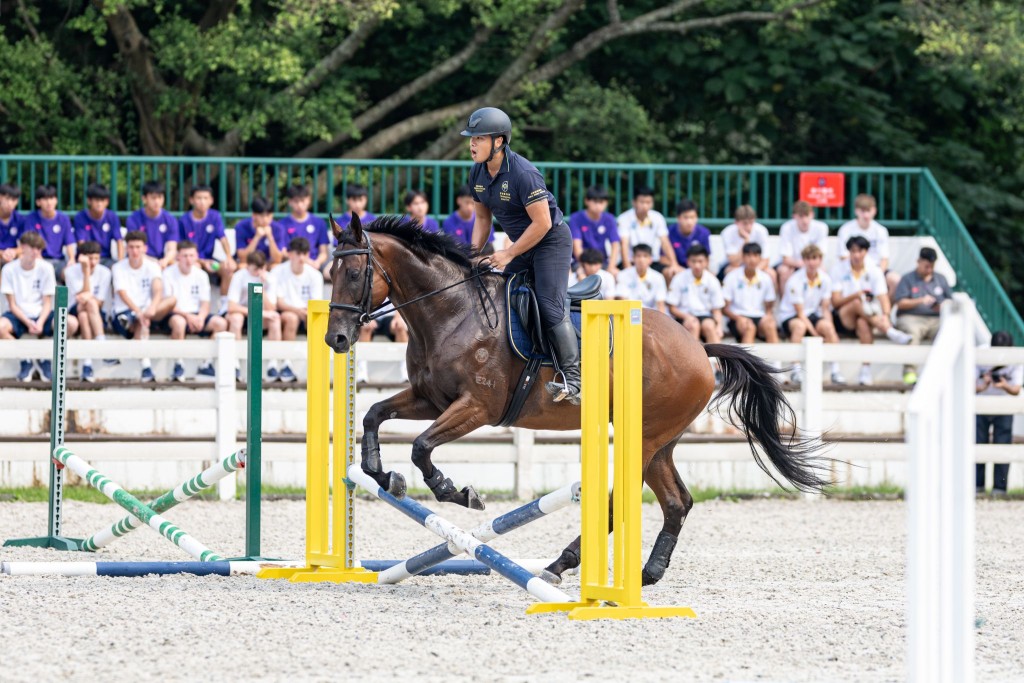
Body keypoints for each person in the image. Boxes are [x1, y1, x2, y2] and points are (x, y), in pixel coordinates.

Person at [463, 106, 580, 403]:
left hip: (551, 241)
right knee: (499, 294)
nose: (471, 144)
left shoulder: (524, 174)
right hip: (523, 244)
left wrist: (507, 254)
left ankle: (574, 377)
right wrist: (472, 255)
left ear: (499, 142)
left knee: (549, 305)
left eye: (478, 138)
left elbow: (542, 224)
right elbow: (482, 219)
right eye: (471, 138)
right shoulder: (477, 172)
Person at [831, 235, 912, 386]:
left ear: (866, 252)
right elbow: (835, 302)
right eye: (853, 251)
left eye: (859, 251)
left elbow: (883, 298)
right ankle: (888, 331)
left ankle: (865, 369)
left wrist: (886, 315)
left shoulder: (874, 270)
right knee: (856, 302)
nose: (856, 255)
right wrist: (857, 295)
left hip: (865, 317)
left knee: (863, 323)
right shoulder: (838, 269)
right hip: (843, 317)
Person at [111, 230, 175, 382]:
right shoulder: (118, 267)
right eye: (131, 247)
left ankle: (146, 367)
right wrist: (139, 312)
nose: (134, 251)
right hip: (125, 311)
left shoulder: (152, 266)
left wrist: (151, 308)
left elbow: (157, 288)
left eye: (138, 247)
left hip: (147, 311)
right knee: (141, 320)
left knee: (171, 300)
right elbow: (122, 293)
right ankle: (146, 366)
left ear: (145, 248)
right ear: (126, 248)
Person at [775, 244, 844, 385]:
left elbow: (825, 309)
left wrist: (830, 328)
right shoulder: (795, 280)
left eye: (815, 258)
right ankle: (795, 369)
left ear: (820, 260)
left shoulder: (825, 279)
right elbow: (800, 313)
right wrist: (815, 334)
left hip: (812, 314)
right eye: (808, 258)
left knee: (828, 327)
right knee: (800, 326)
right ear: (804, 260)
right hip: (790, 315)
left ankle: (835, 370)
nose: (812, 262)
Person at [162, 239, 227, 381]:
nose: (188, 259)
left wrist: (201, 318)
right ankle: (178, 364)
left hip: (196, 315)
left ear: (197, 256)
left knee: (221, 324)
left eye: (191, 255)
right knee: (179, 323)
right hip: (177, 314)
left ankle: (206, 364)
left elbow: (205, 303)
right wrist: (188, 317)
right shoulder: (168, 273)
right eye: (185, 256)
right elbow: (169, 304)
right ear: (178, 257)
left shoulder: (201, 275)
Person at [893, 247, 953, 385]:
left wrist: (942, 305)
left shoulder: (941, 279)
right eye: (926, 266)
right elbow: (900, 303)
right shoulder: (907, 278)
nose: (929, 269)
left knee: (946, 332)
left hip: (936, 318)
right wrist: (920, 301)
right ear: (918, 262)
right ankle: (910, 373)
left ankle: (940, 373)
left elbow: (950, 301)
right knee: (912, 333)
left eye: (931, 266)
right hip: (911, 317)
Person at [0, 232, 56, 381]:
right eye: (33, 248)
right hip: (18, 315)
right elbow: (12, 305)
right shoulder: (9, 269)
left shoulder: (46, 268)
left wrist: (40, 322)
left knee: (69, 323)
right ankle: (25, 359)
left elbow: (47, 302)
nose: (36, 252)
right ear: (22, 247)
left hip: (41, 314)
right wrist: (28, 322)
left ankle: (46, 359)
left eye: (39, 248)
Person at [976, 330, 1021, 496]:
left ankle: (1000, 489)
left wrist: (1004, 386)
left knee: (1003, 447)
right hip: (980, 404)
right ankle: (977, 487)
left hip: (1004, 406)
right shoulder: (980, 353)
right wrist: (983, 386)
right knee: (978, 445)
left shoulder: (1016, 357)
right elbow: (968, 384)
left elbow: (1016, 389)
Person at [226, 251, 283, 381]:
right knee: (236, 319)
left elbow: (272, 308)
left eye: (261, 268)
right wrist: (261, 313)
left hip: (260, 316)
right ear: (247, 266)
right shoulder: (239, 276)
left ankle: (272, 364)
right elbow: (232, 307)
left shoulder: (270, 278)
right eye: (255, 269)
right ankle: (235, 364)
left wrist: (262, 288)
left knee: (275, 320)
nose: (258, 272)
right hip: (242, 313)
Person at [273, 237, 323, 382]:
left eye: (304, 254)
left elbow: (316, 302)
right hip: (286, 312)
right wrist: (298, 310)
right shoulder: (278, 271)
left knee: (317, 320)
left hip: (306, 312)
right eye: (297, 253)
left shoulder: (314, 275)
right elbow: (279, 302)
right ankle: (287, 362)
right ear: (289, 254)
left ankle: (317, 364)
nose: (301, 258)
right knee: (291, 318)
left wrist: (305, 311)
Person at [63, 240, 113, 382]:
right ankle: (102, 346)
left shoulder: (105, 272)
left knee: (85, 315)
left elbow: (100, 301)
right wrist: (86, 273)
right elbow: (79, 299)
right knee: (87, 305)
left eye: (96, 258)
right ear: (82, 257)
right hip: (74, 310)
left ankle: (87, 363)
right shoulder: (70, 271)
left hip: (94, 311)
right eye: (90, 258)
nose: (93, 262)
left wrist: (88, 298)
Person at [179, 184, 236, 297]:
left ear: (211, 200)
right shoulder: (183, 220)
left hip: (210, 260)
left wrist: (228, 258)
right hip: (191, 260)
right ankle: (193, 303)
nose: (202, 202)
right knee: (195, 267)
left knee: (228, 269)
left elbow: (223, 239)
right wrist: (201, 262)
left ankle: (224, 305)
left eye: (205, 198)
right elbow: (181, 248)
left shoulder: (215, 216)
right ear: (191, 200)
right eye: (199, 198)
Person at [837, 193, 899, 296]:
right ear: (856, 211)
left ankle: (885, 309)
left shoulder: (881, 230)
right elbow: (843, 256)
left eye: (868, 211)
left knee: (896, 281)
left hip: (876, 269)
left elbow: (884, 258)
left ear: (874, 210)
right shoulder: (845, 229)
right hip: (852, 269)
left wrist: (877, 275)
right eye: (862, 211)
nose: (865, 215)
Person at [666, 244, 724, 344]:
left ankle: (718, 358)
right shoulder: (679, 279)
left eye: (700, 261)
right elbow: (672, 308)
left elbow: (717, 310)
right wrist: (686, 317)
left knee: (709, 325)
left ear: (706, 262)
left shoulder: (713, 280)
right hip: (684, 317)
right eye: (693, 261)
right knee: (693, 325)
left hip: (705, 316)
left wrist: (719, 327)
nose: (697, 265)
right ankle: (692, 359)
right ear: (688, 262)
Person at [722, 243, 778, 344]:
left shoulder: (765, 278)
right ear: (743, 257)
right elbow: (725, 308)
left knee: (770, 325)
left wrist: (768, 316)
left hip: (759, 316)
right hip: (737, 317)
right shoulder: (732, 277)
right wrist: (739, 318)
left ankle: (777, 359)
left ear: (760, 258)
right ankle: (746, 360)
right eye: (748, 255)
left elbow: (769, 306)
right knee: (749, 328)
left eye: (755, 255)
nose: (752, 259)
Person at [617, 186, 679, 277]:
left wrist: (674, 264)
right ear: (634, 202)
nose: (645, 206)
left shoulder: (658, 218)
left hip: (653, 262)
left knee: (671, 273)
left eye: (648, 202)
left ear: (652, 203)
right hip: (631, 262)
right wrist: (628, 267)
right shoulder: (623, 219)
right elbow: (624, 244)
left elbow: (665, 243)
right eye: (642, 202)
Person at [24, 184, 76, 281]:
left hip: (59, 261)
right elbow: (30, 242)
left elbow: (69, 242)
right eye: (45, 199)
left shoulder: (63, 219)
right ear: (38, 202)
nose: (49, 202)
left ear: (56, 200)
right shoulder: (31, 218)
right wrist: (38, 258)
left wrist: (72, 259)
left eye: (52, 198)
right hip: (37, 260)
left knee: (70, 274)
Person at [326, 184, 378, 278]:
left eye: (360, 200)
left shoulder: (373, 219)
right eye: (354, 200)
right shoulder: (340, 220)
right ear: (347, 200)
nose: (357, 204)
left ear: (366, 199)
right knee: (327, 273)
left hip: (369, 258)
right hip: (345, 257)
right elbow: (337, 244)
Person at [568, 185, 623, 275]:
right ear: (587, 201)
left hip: (601, 262)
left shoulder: (609, 219)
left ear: (606, 203)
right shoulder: (576, 218)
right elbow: (577, 246)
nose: (598, 205)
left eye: (601, 202)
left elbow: (615, 245)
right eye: (595, 202)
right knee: (580, 275)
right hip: (581, 262)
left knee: (617, 275)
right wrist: (586, 266)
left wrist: (611, 266)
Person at [126, 181, 180, 268]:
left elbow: (172, 248)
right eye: (153, 198)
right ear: (144, 199)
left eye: (160, 197)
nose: (157, 201)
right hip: (141, 261)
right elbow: (134, 248)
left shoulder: (170, 220)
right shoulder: (134, 219)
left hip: (164, 263)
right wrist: (153, 263)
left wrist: (165, 261)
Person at [777, 200, 828, 291]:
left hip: (811, 262)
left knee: (822, 270)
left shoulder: (821, 228)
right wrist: (801, 265)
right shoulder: (786, 228)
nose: (804, 220)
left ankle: (819, 302)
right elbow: (786, 258)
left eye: (807, 216)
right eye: (801, 216)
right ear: (794, 216)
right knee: (784, 271)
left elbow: (820, 256)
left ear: (812, 215)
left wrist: (809, 264)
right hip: (793, 264)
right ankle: (785, 303)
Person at [280, 184, 329, 271]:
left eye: (302, 200)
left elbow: (324, 253)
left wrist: (317, 262)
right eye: (296, 201)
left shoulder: (319, 223)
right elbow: (283, 252)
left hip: (313, 267)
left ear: (309, 200)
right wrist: (303, 261)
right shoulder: (282, 224)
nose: (299, 205)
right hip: (290, 266)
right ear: (290, 202)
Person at [73, 183, 123, 267]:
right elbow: (81, 243)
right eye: (96, 200)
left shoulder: (112, 217)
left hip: (106, 259)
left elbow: (119, 241)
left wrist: (121, 263)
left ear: (107, 202)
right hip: (86, 258)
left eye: (102, 200)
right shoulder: (80, 217)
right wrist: (91, 260)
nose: (99, 203)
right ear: (89, 201)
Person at [719, 204, 771, 281]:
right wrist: (746, 241)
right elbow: (734, 263)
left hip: (756, 266)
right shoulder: (727, 233)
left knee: (771, 274)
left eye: (751, 223)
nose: (748, 227)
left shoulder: (761, 231)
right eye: (745, 223)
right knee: (730, 271)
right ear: (736, 222)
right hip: (735, 266)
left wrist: (754, 272)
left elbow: (765, 260)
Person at [235, 196, 287, 266]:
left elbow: (278, 259)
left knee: (276, 266)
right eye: (262, 216)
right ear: (254, 215)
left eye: (268, 215)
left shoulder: (278, 228)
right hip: (250, 264)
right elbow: (243, 258)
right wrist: (257, 237)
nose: (265, 219)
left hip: (268, 263)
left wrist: (270, 237)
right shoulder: (241, 227)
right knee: (242, 266)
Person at [615, 244, 667, 314]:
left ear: (650, 259)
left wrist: (660, 322)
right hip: (630, 313)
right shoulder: (623, 275)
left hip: (652, 316)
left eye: (645, 256)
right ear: (633, 258)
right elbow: (622, 299)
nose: (641, 259)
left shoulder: (658, 277)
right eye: (638, 256)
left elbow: (660, 304)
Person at [442, 185, 494, 251]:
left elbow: (489, 248)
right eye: (467, 202)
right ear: (459, 200)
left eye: (473, 203)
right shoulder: (449, 222)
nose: (470, 207)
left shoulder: (484, 221)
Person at [666, 199, 711, 270]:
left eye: (692, 217)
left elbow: (706, 257)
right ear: (678, 218)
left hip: (696, 268)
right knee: (669, 271)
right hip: (677, 268)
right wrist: (678, 268)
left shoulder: (704, 233)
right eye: (686, 217)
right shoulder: (668, 232)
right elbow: (662, 258)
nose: (689, 222)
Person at [0, 184, 24, 269]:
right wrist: (2, 253)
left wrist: (14, 252)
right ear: (0, 198)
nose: (10, 203)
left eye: (13, 200)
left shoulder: (20, 220)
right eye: (7, 199)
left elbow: (25, 245)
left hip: (13, 257)